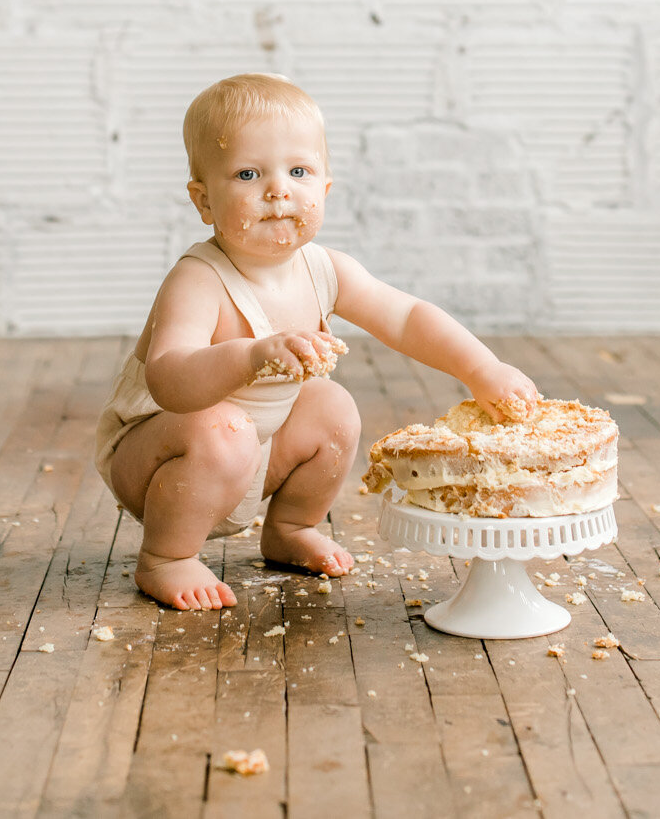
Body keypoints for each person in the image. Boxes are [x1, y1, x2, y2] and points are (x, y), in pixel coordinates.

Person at [93, 72, 541, 610]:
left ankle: (290, 528)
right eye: (247, 173)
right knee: (224, 425)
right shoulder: (199, 279)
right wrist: (252, 355)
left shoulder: (325, 269)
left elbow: (406, 317)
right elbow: (170, 379)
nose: (278, 189)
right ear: (204, 201)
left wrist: (480, 369)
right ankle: (165, 557)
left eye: (298, 170)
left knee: (333, 406)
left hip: (252, 449)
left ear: (325, 187)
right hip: (160, 455)